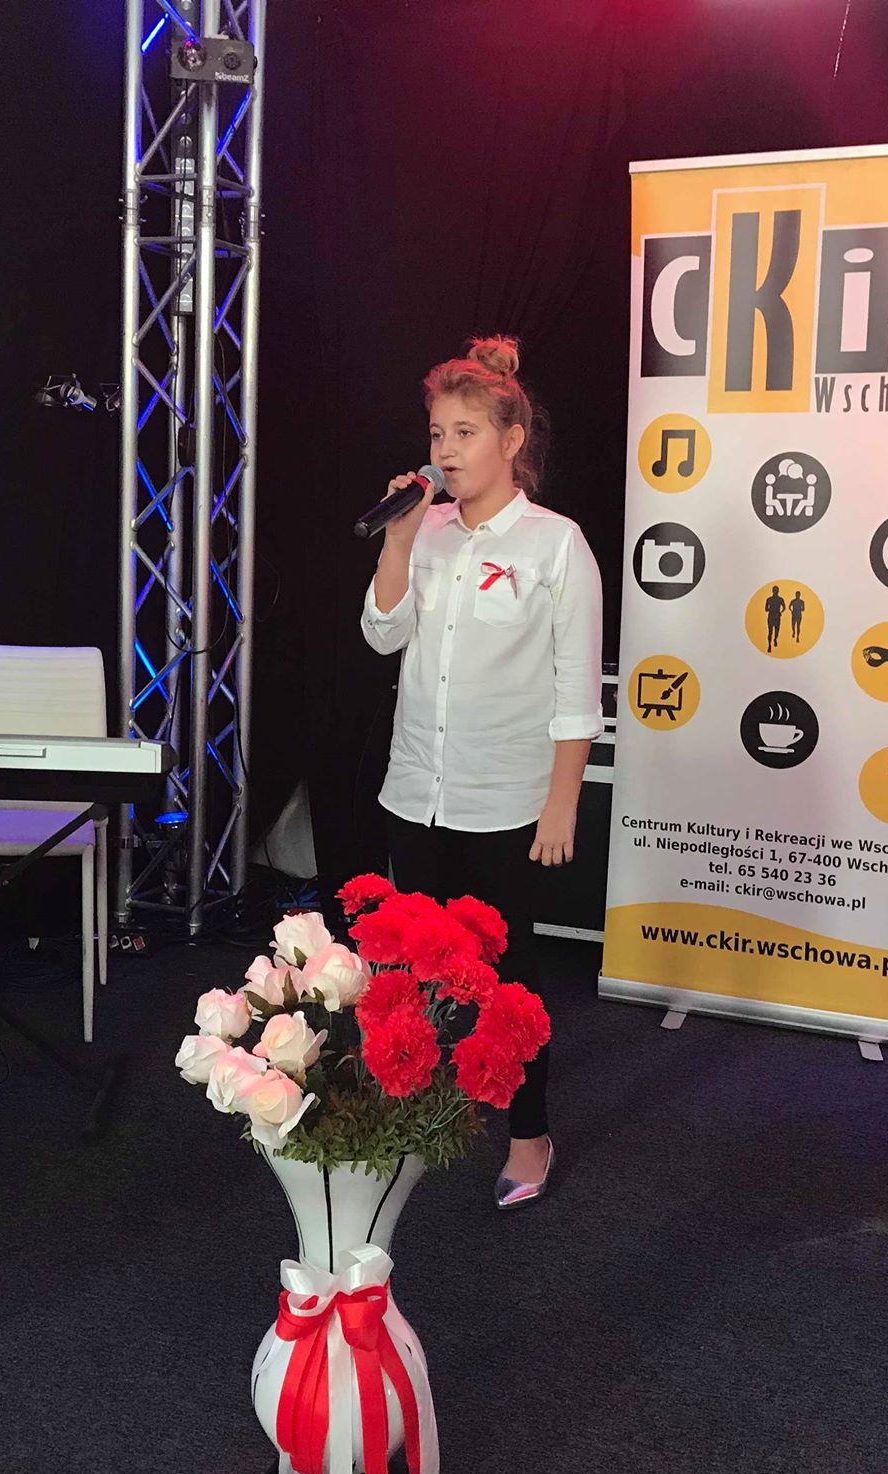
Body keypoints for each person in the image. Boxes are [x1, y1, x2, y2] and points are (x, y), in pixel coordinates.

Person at [361, 335, 604, 1209]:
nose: (446, 450)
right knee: (411, 971)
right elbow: (382, 635)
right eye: (437, 433)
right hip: (415, 791)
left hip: (507, 803)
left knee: (509, 982)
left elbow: (576, 693)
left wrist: (561, 802)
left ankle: (529, 1133)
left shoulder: (555, 545)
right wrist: (397, 539)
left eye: (465, 432)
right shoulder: (423, 531)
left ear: (512, 440)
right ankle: (416, 1116)